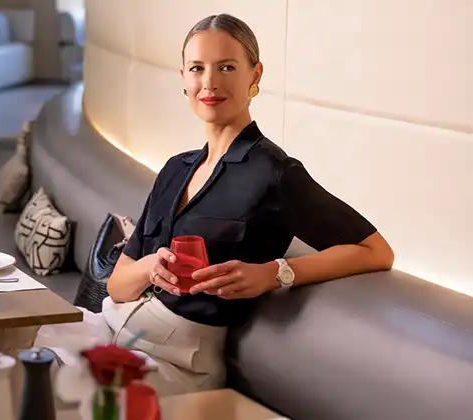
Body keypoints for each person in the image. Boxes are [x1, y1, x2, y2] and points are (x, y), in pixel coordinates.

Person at [33, 13, 395, 395]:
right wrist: (148, 267)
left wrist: (275, 273)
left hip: (176, 360)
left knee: (52, 391)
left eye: (226, 67)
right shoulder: (175, 169)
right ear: (184, 80)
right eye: (197, 68)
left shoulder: (275, 174)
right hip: (110, 326)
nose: (210, 82)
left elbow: (375, 251)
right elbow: (120, 286)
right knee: (10, 359)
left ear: (254, 75)